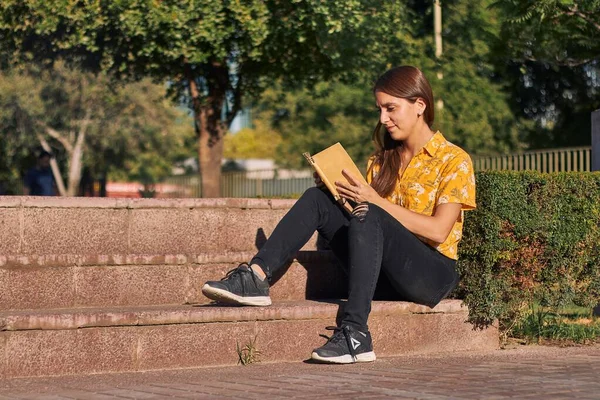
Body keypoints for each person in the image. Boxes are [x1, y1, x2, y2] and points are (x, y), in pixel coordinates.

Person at [202, 66, 476, 364]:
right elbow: (367, 224)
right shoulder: (381, 160)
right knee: (318, 198)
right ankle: (255, 276)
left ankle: (356, 332)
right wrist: (339, 197)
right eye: (380, 109)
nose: (383, 119)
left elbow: (439, 231)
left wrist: (373, 202)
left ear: (420, 105)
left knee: (371, 211)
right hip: (385, 275)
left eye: (391, 108)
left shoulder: (454, 160)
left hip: (431, 275)